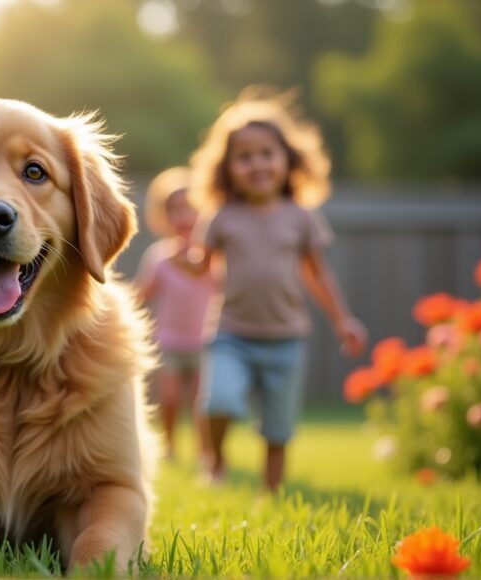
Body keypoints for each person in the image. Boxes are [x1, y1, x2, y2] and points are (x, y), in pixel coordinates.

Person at [183, 89, 367, 492]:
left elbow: (318, 275)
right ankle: (215, 460)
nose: (257, 164)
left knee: (278, 428)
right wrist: (192, 261)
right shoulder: (222, 218)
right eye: (244, 157)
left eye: (267, 153)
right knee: (218, 402)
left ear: (289, 161)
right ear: (227, 169)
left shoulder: (301, 218)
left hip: (286, 339)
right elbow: (203, 265)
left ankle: (271, 492)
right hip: (231, 333)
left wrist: (342, 319)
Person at [134, 167, 214, 463]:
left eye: (190, 208)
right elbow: (143, 294)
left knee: (202, 402)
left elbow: (222, 288)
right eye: (175, 209)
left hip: (204, 340)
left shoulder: (210, 256)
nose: (183, 217)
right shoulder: (159, 256)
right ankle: (170, 445)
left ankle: (206, 451)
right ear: (163, 216)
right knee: (168, 399)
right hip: (168, 340)